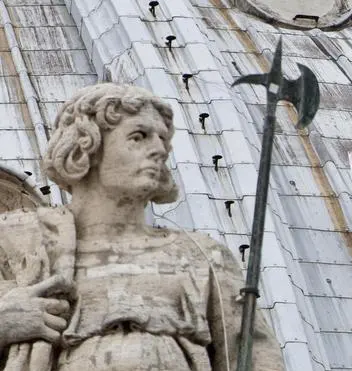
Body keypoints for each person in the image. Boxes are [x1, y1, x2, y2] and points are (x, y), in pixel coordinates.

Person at [0, 84, 283, 370]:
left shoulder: (203, 258)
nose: (159, 150)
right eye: (139, 137)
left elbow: (256, 358)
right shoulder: (15, 243)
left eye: (162, 139)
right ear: (86, 146)